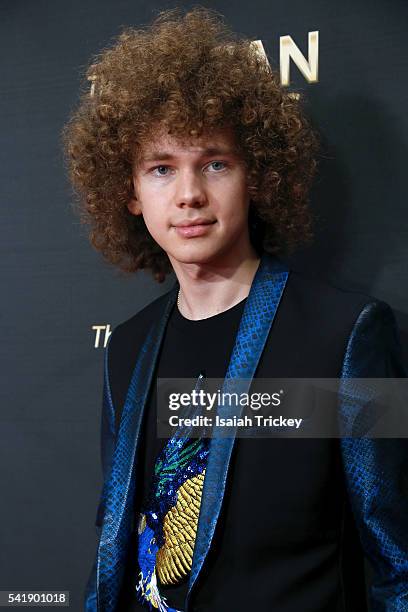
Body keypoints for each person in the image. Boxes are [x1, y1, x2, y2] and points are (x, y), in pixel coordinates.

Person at [63, 8, 408, 612]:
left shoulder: (346, 334)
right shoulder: (127, 348)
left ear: (257, 177)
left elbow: (399, 566)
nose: (190, 193)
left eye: (215, 163)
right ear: (130, 194)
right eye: (161, 168)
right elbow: (117, 535)